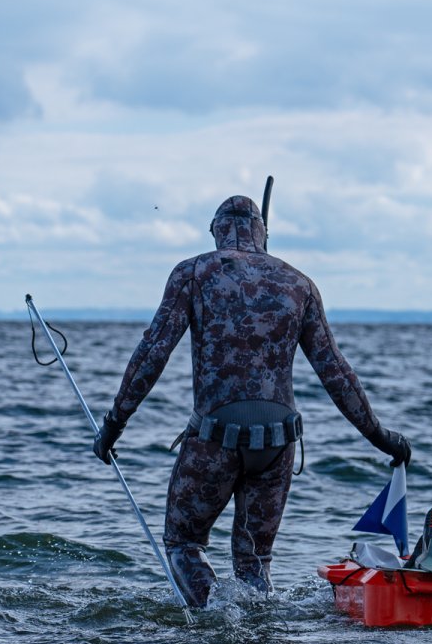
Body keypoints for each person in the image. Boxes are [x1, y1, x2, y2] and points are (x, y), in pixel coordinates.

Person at [94, 194, 411, 608]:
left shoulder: (194, 273)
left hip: (215, 437)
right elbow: (335, 371)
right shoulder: (300, 284)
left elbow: (152, 354)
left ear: (216, 231)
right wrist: (383, 438)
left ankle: (212, 620)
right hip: (278, 443)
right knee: (254, 562)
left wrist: (113, 425)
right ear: (263, 232)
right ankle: (258, 629)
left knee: (183, 544)